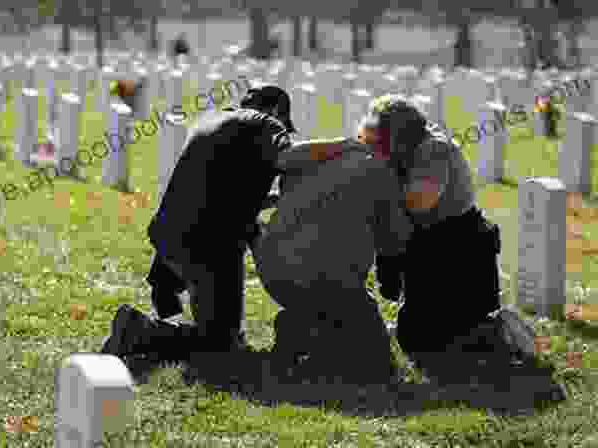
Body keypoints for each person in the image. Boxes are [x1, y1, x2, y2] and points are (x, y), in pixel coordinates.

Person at [100, 84, 357, 370]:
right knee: (221, 342)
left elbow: (219, 190)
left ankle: (168, 326)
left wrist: (277, 200)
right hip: (209, 244)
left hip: (171, 232)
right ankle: (140, 330)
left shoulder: (213, 120)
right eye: (284, 124)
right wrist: (345, 145)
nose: (282, 130)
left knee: (218, 325)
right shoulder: (264, 123)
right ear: (276, 111)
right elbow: (288, 157)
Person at [356, 94, 538, 382]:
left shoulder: (433, 150)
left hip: (459, 248)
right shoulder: (409, 152)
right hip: (432, 245)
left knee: (437, 341)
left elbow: (418, 203)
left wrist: (382, 179)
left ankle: (500, 331)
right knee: (417, 338)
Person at [249, 136, 415, 385]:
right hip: (327, 281)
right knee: (379, 364)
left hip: (273, 271)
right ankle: (306, 337)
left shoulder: (318, 155)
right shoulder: (382, 170)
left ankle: (298, 326)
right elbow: (395, 241)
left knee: (334, 295)